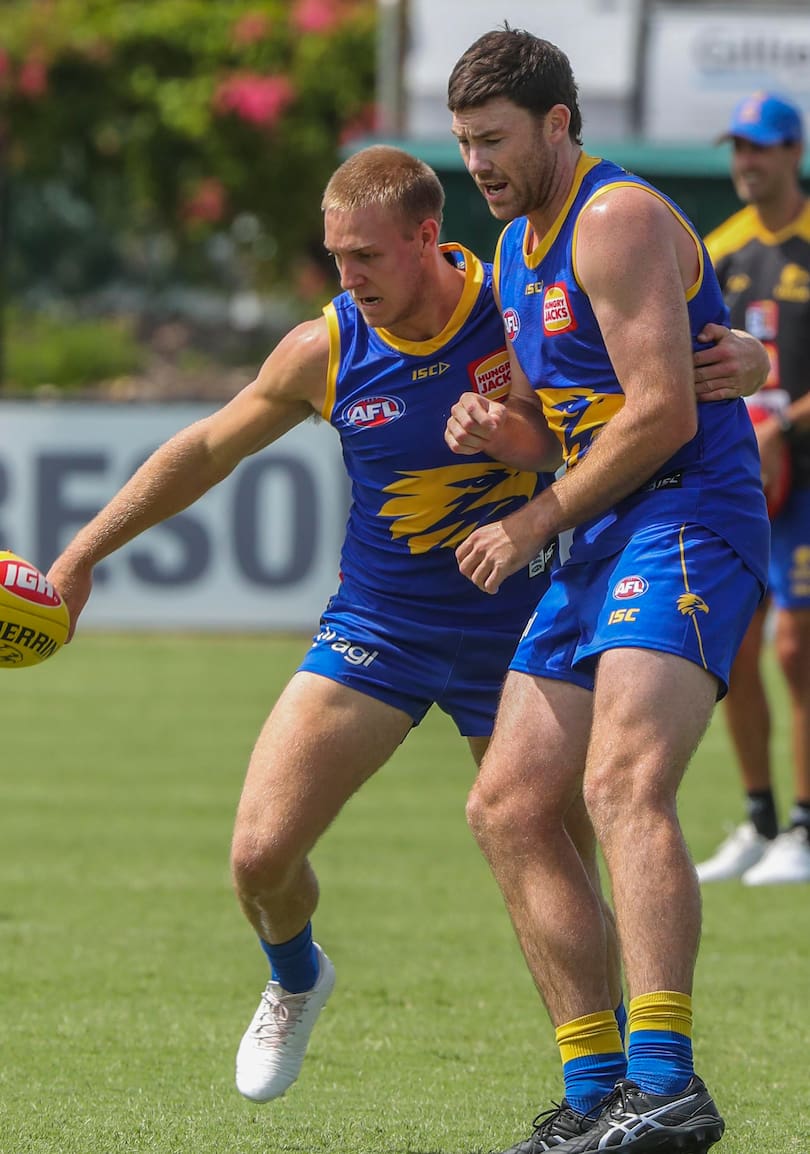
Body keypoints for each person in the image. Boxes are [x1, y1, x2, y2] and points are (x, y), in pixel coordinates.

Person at [45, 145, 761, 1111]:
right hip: (381, 623)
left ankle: (621, 1089)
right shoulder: (326, 347)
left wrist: (745, 357)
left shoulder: (516, 292)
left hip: (525, 617)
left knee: (558, 840)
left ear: (428, 238)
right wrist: (84, 554)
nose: (348, 279)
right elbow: (209, 446)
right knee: (259, 855)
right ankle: (296, 975)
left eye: (366, 258)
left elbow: (643, 367)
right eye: (336, 258)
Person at [444, 27, 770, 1154]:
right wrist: (505, 433)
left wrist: (533, 513)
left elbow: (665, 409)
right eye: (466, 144)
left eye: (494, 140)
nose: (479, 163)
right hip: (599, 531)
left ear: (559, 125)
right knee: (509, 804)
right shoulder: (517, 246)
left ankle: (666, 1079)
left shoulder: (615, 216)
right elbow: (567, 427)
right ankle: (596, 1091)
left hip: (686, 515)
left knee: (625, 780)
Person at [695, 92, 810, 886]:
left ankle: (804, 827)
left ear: (794, 151)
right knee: (731, 648)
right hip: (745, 481)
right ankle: (761, 819)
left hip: (804, 480)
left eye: (761, 146)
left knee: (796, 649)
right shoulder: (717, 250)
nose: (747, 160)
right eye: (738, 146)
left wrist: (785, 430)